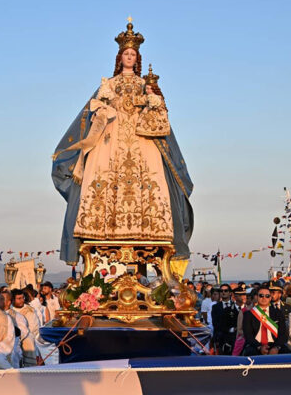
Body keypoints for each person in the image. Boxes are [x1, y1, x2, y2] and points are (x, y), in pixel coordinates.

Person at [52, 20, 193, 266]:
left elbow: (160, 118)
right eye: (126, 54)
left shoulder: (145, 85)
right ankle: (105, 224)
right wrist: (104, 107)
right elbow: (92, 113)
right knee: (104, 176)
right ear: (120, 57)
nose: (129, 57)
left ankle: (148, 226)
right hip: (112, 140)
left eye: (133, 54)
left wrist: (153, 100)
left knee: (150, 178)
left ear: (137, 58)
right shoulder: (109, 84)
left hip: (141, 143)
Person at [242, 286, 288, 356]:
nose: (264, 298)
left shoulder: (278, 313)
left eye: (267, 296)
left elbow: (283, 334)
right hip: (255, 345)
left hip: (274, 345)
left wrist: (276, 348)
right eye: (261, 295)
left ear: (270, 298)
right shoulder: (248, 314)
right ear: (256, 297)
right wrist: (259, 347)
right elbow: (248, 335)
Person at [0, 291, 37, 367]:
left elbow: (23, 332)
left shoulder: (17, 316)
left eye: (1, 299)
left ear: (8, 302)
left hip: (12, 345)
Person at [211, 284, 239, 354]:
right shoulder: (215, 307)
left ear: (230, 293)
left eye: (226, 291)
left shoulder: (236, 305)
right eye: (221, 291)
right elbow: (215, 324)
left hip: (234, 337)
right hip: (221, 337)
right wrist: (230, 329)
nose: (223, 292)